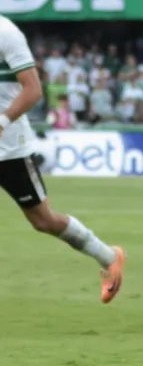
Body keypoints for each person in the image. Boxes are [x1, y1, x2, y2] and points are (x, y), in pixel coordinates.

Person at [0, 15, 126, 303]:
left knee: (43, 220)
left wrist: (3, 122)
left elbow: (33, 90)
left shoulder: (6, 34)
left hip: (8, 148)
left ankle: (109, 257)